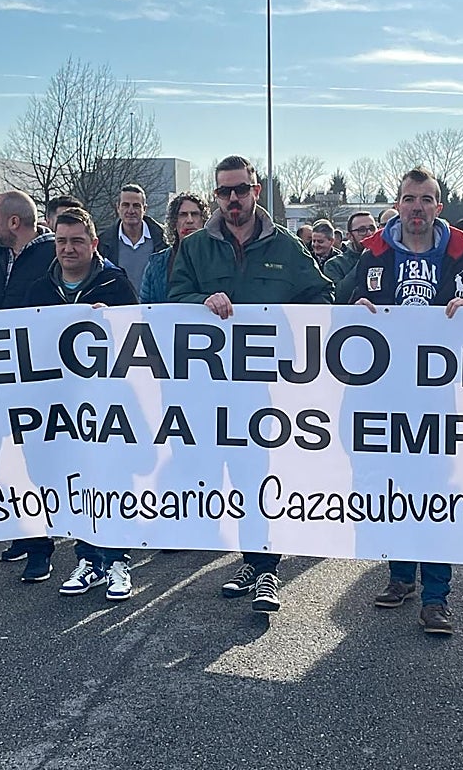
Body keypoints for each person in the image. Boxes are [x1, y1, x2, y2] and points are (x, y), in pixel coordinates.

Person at [168, 154, 334, 612]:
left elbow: (320, 295)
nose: (233, 199)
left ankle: (266, 569)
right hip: (211, 389)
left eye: (241, 189)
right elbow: (171, 299)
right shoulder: (197, 247)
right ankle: (249, 559)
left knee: (258, 477)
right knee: (223, 479)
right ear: (216, 196)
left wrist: (290, 327)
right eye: (224, 192)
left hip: (267, 391)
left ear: (256, 191)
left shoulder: (285, 247)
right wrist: (202, 299)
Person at [350, 166, 463, 635]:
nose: (416, 208)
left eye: (425, 199)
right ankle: (399, 576)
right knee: (393, 488)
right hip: (385, 394)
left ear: (438, 207)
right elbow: (340, 315)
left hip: (438, 398)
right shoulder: (371, 257)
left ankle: (436, 596)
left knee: (433, 492)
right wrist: (354, 313)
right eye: (409, 199)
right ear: (398, 203)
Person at [24, 207, 139, 600]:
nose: (68, 249)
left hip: (109, 406)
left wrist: (116, 324)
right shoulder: (38, 291)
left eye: (76, 241)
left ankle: (119, 561)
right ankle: (88, 559)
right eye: (61, 241)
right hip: (60, 409)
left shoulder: (116, 286)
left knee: (110, 481)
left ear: (93, 244)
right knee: (75, 482)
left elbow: (140, 344)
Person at [0, 190, 57, 581]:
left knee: (40, 464)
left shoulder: (56, 254)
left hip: (43, 385)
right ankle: (24, 529)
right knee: (9, 462)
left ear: (13, 222)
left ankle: (42, 547)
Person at [139, 191, 209, 304]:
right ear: (174, 222)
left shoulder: (217, 259)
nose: (189, 220)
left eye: (195, 214)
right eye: (183, 214)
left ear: (203, 220)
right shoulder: (156, 265)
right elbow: (144, 309)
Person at [97, 183, 168, 290]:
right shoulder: (103, 243)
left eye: (136, 206)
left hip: (155, 305)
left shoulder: (165, 240)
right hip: (118, 305)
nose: (131, 211)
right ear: (118, 208)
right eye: (126, 205)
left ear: (144, 209)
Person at [323, 211, 377, 304]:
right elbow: (338, 297)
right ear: (350, 236)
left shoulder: (385, 259)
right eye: (362, 230)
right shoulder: (334, 265)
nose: (369, 233)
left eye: (372, 228)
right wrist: (364, 259)